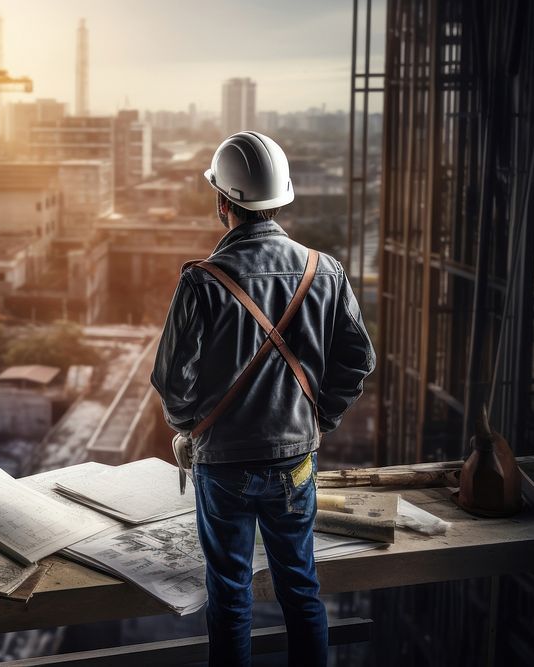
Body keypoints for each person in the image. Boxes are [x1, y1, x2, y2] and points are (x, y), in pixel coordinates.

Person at [150, 131, 376, 667]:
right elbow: (357, 360)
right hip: (295, 463)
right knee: (300, 589)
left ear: (222, 201)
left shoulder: (201, 282)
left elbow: (172, 380)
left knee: (230, 596)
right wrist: (320, 418)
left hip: (223, 465)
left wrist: (188, 428)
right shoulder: (326, 272)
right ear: (281, 199)